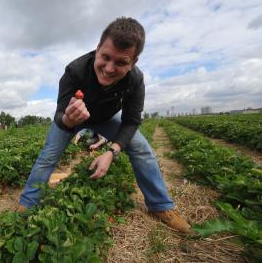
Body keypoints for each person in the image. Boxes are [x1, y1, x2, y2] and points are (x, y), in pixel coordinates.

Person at [18, 17, 190, 233]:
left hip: (106, 119)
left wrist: (111, 152)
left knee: (142, 148)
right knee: (48, 157)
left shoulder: (135, 80)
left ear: (133, 62)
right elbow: (60, 113)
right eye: (105, 57)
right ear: (97, 48)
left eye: (120, 62)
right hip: (73, 120)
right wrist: (68, 120)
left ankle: (160, 206)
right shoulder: (75, 70)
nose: (109, 68)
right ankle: (27, 204)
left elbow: (131, 121)